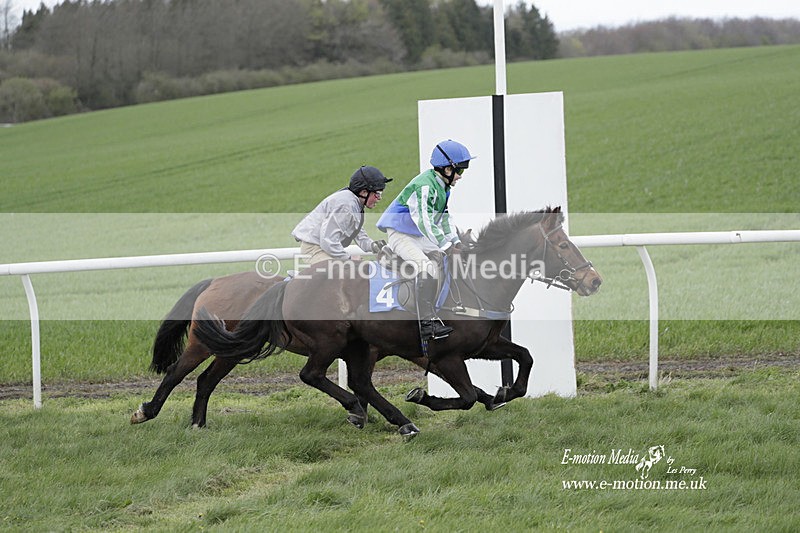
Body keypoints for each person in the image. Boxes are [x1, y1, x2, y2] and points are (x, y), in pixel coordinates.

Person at [376, 139, 474, 340]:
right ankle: (426, 324)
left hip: (418, 236)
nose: (461, 176)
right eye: (460, 171)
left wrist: (455, 242)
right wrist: (446, 245)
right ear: (447, 169)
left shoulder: (443, 187)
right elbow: (426, 222)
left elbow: (444, 218)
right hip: (401, 234)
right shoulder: (424, 186)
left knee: (451, 259)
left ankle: (449, 306)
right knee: (427, 268)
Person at [292, 166, 391, 265]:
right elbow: (328, 241)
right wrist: (348, 259)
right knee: (345, 272)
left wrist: (373, 246)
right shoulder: (346, 205)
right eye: (377, 193)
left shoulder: (354, 203)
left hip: (323, 248)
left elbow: (360, 236)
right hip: (315, 250)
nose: (379, 198)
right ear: (364, 192)